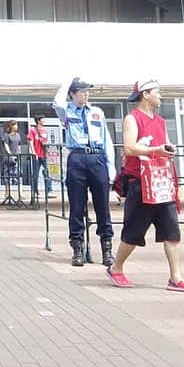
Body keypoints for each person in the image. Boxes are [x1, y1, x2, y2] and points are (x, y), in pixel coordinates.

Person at [107, 80, 184, 293]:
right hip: (140, 181)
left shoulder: (160, 121)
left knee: (171, 231)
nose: (160, 97)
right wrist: (155, 150)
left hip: (162, 181)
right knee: (134, 232)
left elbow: (166, 147)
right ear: (145, 94)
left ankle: (176, 278)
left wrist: (176, 178)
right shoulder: (132, 118)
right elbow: (129, 148)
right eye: (157, 92)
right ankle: (116, 267)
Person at [54, 77, 115, 268]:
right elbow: (56, 102)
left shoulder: (97, 112)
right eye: (81, 91)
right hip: (77, 157)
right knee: (77, 206)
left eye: (88, 91)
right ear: (72, 94)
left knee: (102, 206)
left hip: (96, 157)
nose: (86, 94)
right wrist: (68, 79)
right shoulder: (67, 111)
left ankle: (107, 248)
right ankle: (77, 248)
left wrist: (110, 166)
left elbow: (106, 139)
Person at [26, 116, 54, 207]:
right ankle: (34, 191)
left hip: (44, 154)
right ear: (38, 121)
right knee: (35, 174)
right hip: (37, 154)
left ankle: (49, 190)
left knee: (47, 172)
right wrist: (34, 153)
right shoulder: (33, 130)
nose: (44, 121)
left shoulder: (45, 130)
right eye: (42, 120)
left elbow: (46, 142)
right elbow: (30, 142)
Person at [1, 120, 21, 203]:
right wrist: (10, 154)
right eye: (15, 125)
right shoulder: (7, 135)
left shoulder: (18, 135)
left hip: (16, 156)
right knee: (7, 175)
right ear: (11, 126)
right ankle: (7, 192)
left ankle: (20, 193)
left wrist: (19, 153)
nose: (16, 127)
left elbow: (19, 145)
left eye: (17, 125)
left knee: (18, 174)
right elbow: (6, 146)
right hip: (8, 157)